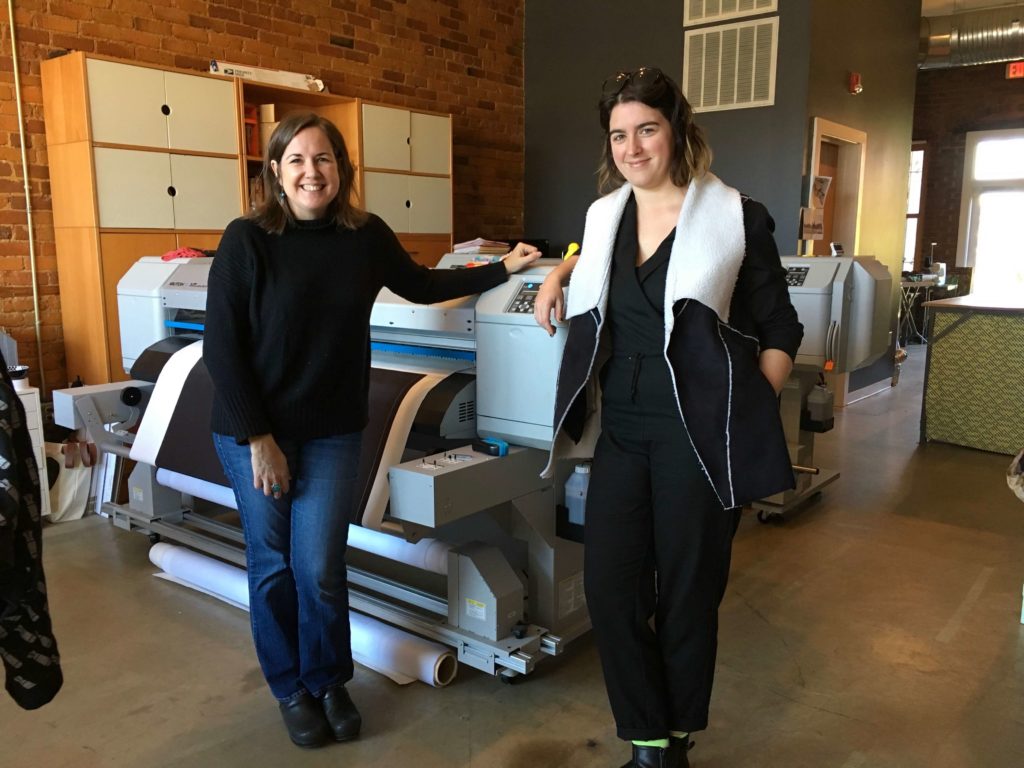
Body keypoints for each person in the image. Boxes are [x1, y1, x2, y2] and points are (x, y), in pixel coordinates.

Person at [203, 112, 540, 749]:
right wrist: (260, 441)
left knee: (320, 566)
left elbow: (421, 283)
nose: (311, 171)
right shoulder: (246, 240)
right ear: (275, 172)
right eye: (297, 160)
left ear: (342, 170)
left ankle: (330, 679)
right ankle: (291, 689)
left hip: (331, 429)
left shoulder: (363, 235)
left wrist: (504, 269)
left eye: (323, 159)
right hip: (257, 433)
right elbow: (223, 348)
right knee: (273, 566)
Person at [534, 68, 803, 768]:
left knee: (688, 594)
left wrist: (746, 411)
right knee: (610, 588)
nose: (632, 147)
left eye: (645, 129)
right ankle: (646, 732)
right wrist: (558, 274)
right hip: (622, 431)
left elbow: (781, 328)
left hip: (697, 440)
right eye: (618, 135)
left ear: (676, 129)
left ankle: (668, 747)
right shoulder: (605, 217)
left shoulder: (735, 215)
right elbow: (588, 263)